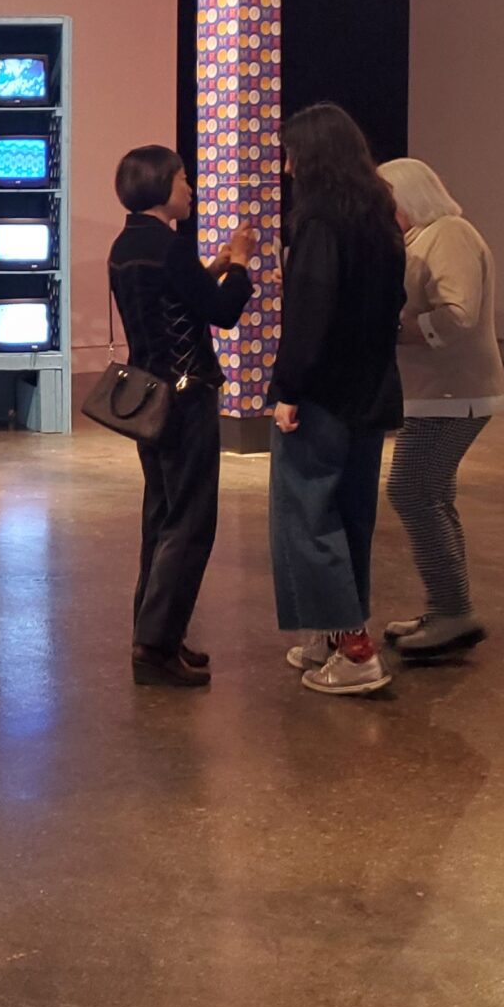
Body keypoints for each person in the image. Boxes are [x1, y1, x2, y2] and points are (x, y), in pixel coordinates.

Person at [267, 104, 408, 697]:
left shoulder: (320, 221)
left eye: (292, 152)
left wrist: (287, 389)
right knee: (351, 514)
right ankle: (332, 633)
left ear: (313, 156)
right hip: (371, 389)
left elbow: (310, 313)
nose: (287, 164)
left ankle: (354, 650)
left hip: (323, 392)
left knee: (307, 517)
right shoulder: (382, 218)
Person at [107, 146, 256, 688]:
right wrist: (238, 262)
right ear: (160, 185)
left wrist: (208, 269)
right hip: (187, 394)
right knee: (190, 521)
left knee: (162, 513)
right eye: (183, 179)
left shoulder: (126, 246)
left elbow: (176, 299)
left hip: (150, 396)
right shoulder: (168, 247)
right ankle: (156, 645)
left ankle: (155, 635)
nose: (189, 189)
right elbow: (221, 312)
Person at [375, 158, 504, 658]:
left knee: (410, 491)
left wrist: (392, 331)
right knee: (430, 495)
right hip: (439, 392)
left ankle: (453, 612)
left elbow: (458, 313)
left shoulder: (449, 233)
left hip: (453, 392)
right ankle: (449, 606)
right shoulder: (427, 236)